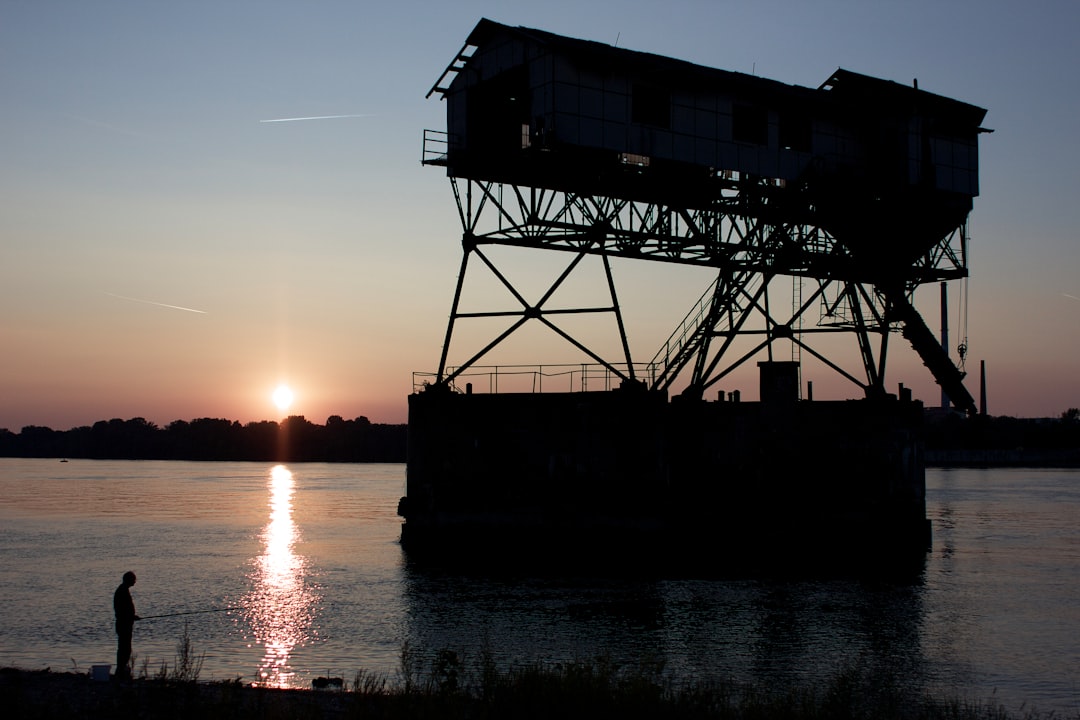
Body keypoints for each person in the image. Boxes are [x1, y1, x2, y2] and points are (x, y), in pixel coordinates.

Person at [113, 571, 140, 679]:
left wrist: (132, 616)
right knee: (125, 648)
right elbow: (122, 610)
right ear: (128, 580)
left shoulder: (123, 590)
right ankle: (120, 670)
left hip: (125, 623)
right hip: (123, 624)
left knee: (125, 648)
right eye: (133, 579)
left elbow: (125, 610)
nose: (135, 581)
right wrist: (131, 617)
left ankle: (121, 670)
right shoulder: (122, 591)